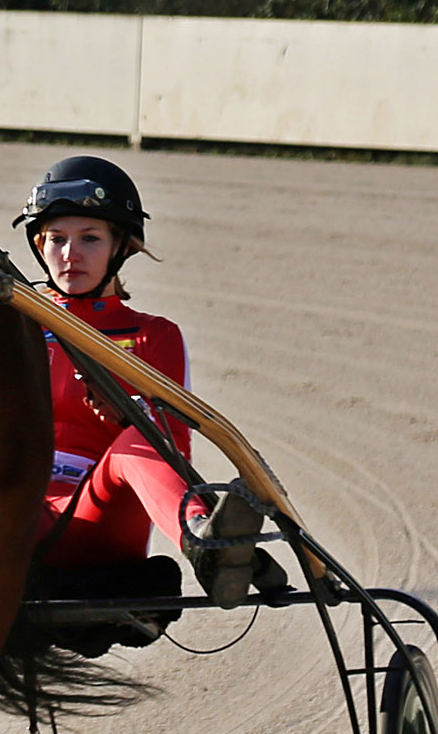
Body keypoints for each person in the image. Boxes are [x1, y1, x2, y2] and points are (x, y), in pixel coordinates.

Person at [19, 156, 274, 608]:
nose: (70, 254)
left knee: (138, 439)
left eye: (90, 239)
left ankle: (204, 541)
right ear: (40, 245)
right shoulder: (13, 324)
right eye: (56, 239)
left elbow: (174, 446)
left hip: (99, 519)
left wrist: (127, 416)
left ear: (123, 246)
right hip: (10, 510)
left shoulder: (153, 336)